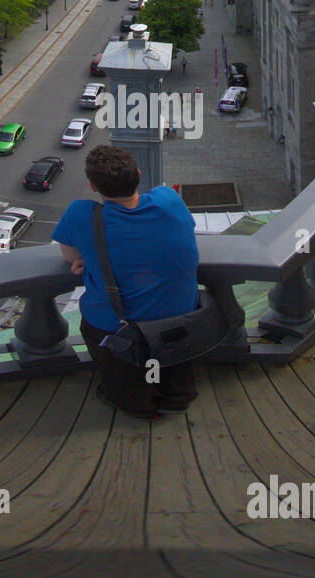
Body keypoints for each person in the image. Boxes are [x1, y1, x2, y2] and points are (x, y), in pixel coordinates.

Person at [49, 143, 204, 418]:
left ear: (93, 186)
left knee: (100, 333)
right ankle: (177, 396)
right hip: (181, 318)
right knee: (172, 357)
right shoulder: (169, 198)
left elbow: (68, 255)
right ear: (139, 174)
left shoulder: (83, 215)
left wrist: (89, 254)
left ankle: (135, 400)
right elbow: (184, 229)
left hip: (120, 326)